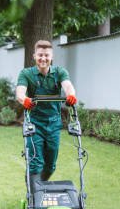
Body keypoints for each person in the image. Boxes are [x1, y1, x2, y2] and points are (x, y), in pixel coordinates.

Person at [16, 40, 77, 185]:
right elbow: (20, 92)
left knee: (50, 165)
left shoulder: (60, 72)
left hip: (53, 124)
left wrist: (71, 95)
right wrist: (24, 100)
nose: (43, 58)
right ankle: (35, 195)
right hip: (34, 124)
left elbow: (68, 86)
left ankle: (38, 187)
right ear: (34, 56)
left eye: (46, 55)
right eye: (40, 55)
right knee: (36, 161)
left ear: (52, 57)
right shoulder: (26, 74)